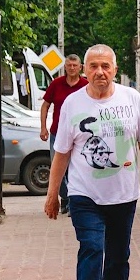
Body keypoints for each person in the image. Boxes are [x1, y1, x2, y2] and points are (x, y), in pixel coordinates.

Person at [45, 44, 140, 280]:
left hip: (123, 195)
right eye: (94, 66)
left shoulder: (131, 99)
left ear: (114, 68)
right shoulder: (73, 104)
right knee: (92, 247)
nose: (100, 72)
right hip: (84, 194)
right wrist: (52, 194)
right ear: (84, 70)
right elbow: (62, 153)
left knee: (118, 257)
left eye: (105, 66)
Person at [40, 54, 87, 215]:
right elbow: (45, 106)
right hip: (57, 133)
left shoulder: (86, 85)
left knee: (76, 168)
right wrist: (43, 128)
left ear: (80, 67)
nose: (72, 68)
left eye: (75, 65)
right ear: (65, 67)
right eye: (69, 65)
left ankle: (72, 202)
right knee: (57, 168)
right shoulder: (56, 84)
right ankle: (66, 198)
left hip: (79, 134)